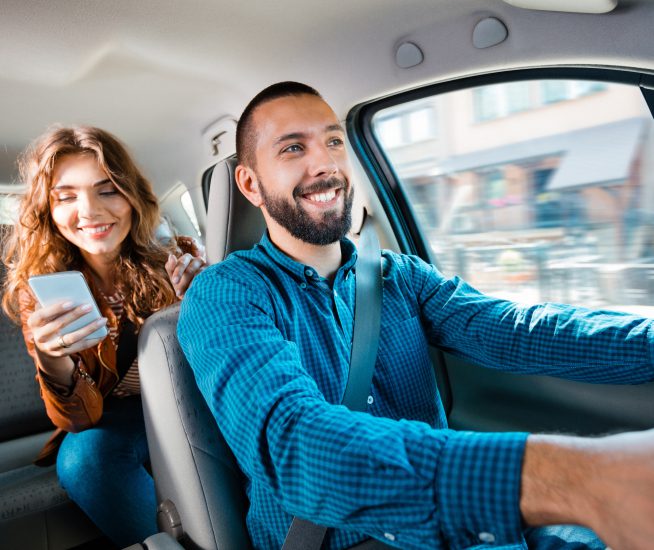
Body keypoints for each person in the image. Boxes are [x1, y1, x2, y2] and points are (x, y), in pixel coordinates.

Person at [177, 82, 654, 550]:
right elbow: (297, 447)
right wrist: (576, 477)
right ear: (250, 184)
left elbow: (518, 331)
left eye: (334, 140)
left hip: (468, 529)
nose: (325, 163)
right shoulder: (224, 296)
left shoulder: (399, 276)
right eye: (293, 148)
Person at [2, 126, 206, 547]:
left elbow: (214, 367)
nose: (89, 211)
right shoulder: (38, 292)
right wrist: (52, 357)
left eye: (108, 189)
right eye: (66, 196)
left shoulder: (177, 258)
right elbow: (79, 421)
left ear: (133, 197)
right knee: (82, 460)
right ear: (47, 210)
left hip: (185, 399)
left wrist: (201, 304)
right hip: (113, 418)